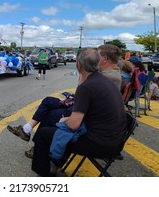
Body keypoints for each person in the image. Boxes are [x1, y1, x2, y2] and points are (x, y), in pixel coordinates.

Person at [7, 44, 122, 158]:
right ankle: (29, 133)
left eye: (98, 55)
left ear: (105, 58)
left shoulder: (107, 77)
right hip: (93, 115)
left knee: (52, 113)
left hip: (91, 119)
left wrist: (83, 75)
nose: (96, 59)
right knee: (49, 103)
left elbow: (85, 93)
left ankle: (37, 144)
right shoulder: (108, 74)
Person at [31, 48, 127, 176]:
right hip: (115, 141)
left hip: (101, 144)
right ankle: (55, 164)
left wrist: (65, 120)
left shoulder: (87, 86)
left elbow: (73, 125)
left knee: (44, 134)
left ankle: (45, 174)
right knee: (59, 127)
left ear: (78, 65)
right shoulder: (103, 80)